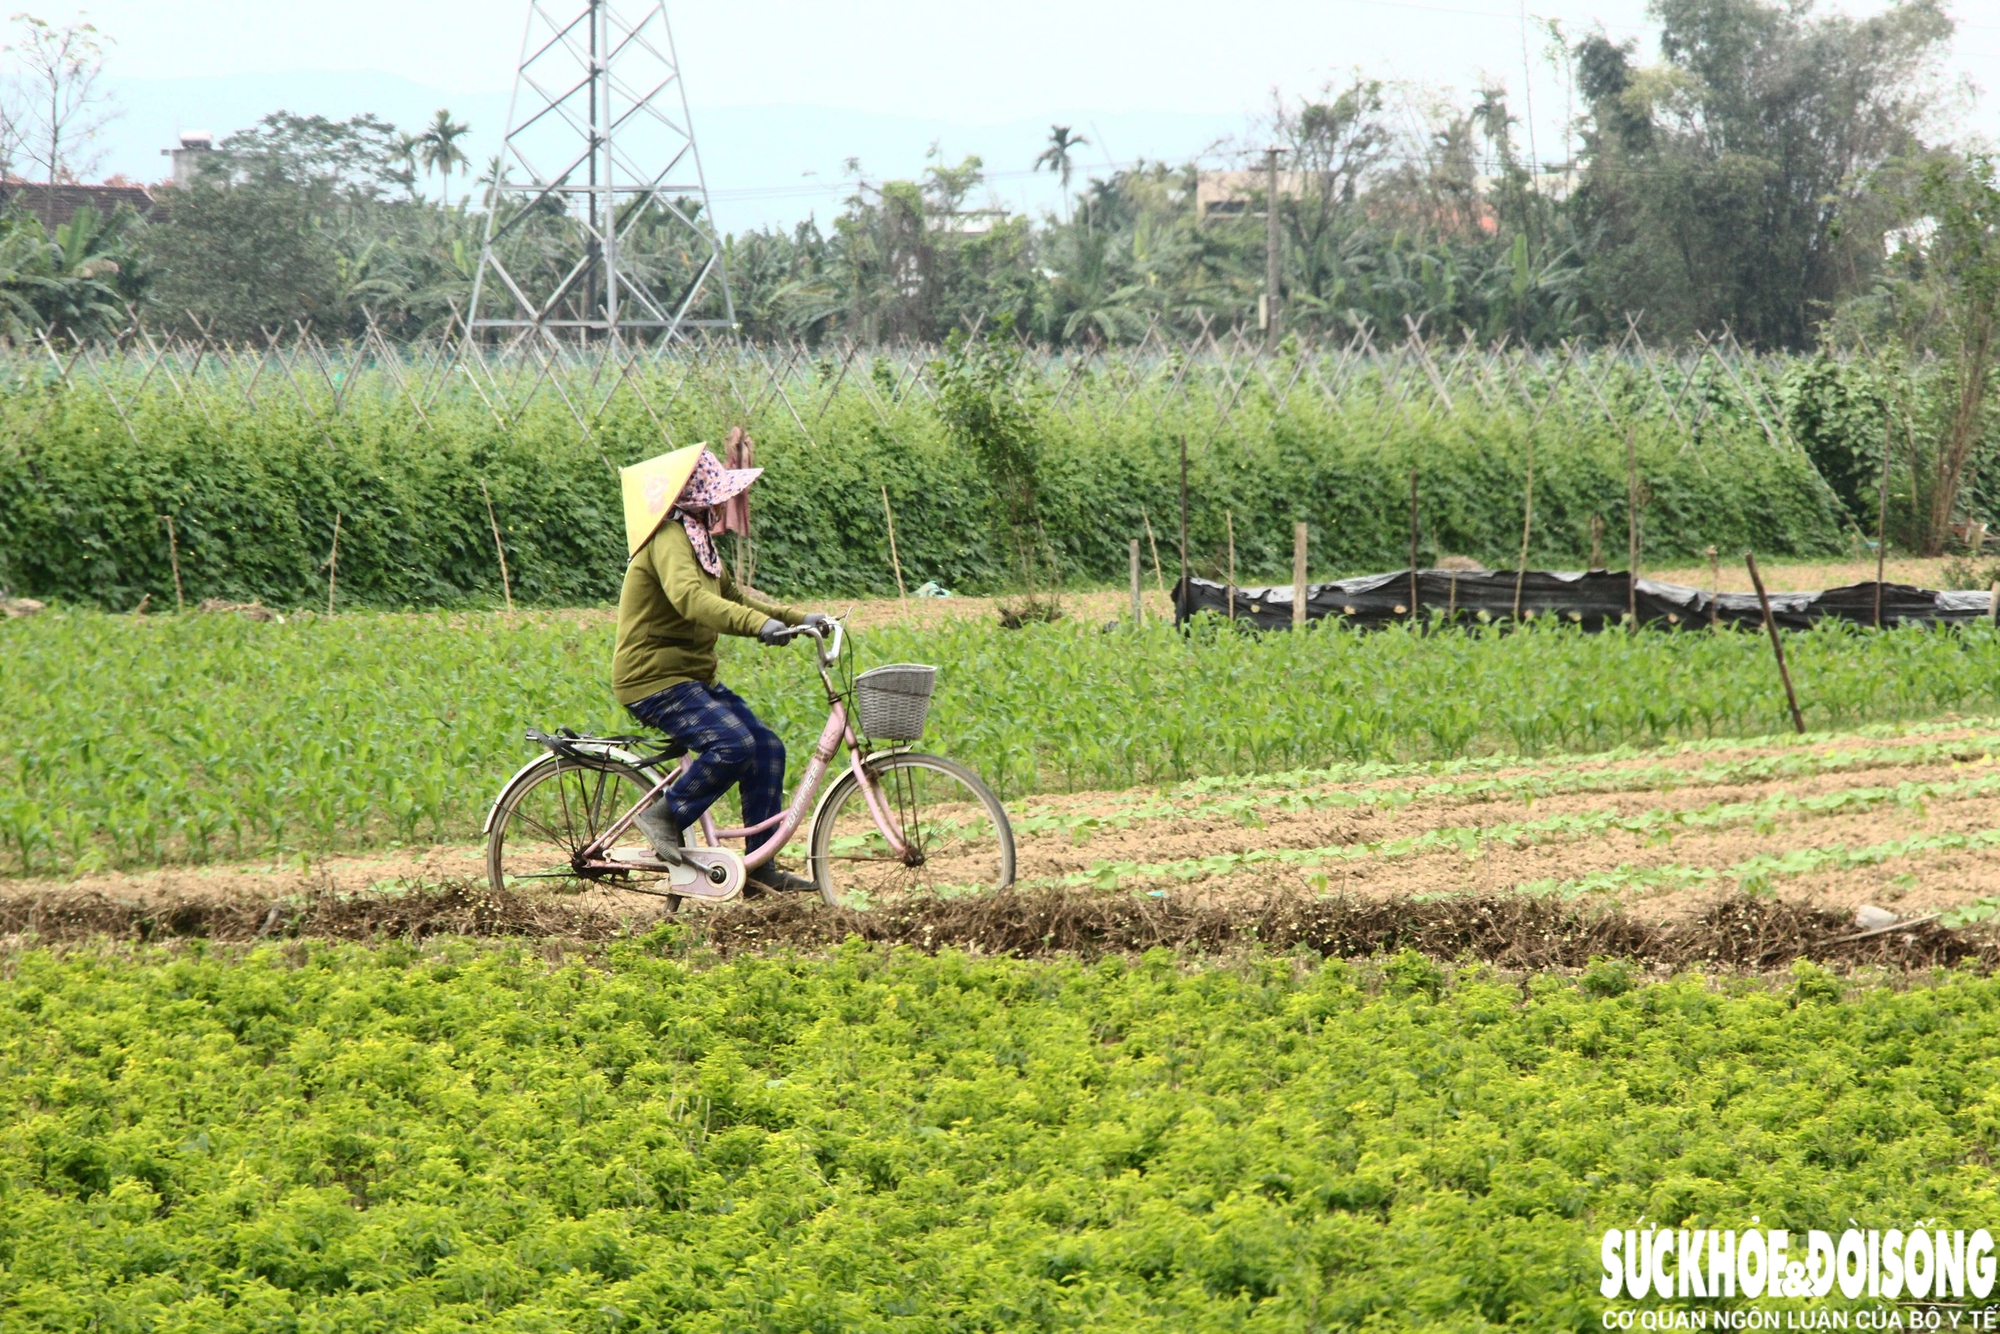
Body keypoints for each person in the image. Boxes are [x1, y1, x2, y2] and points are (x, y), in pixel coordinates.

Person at [611, 444, 829, 893]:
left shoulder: (697, 539)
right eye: (715, 496)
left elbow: (735, 599)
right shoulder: (667, 539)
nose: (721, 505)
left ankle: (756, 870)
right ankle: (664, 816)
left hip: (692, 678)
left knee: (766, 748)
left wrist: (793, 618)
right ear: (693, 499)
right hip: (653, 679)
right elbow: (692, 600)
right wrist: (758, 627)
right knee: (733, 744)